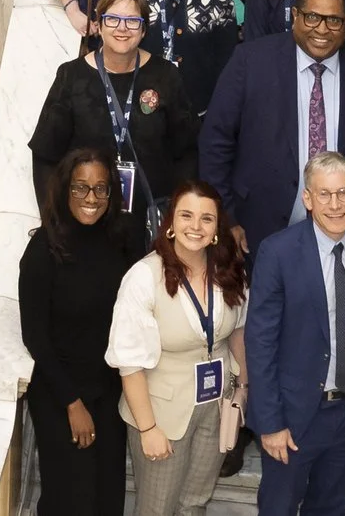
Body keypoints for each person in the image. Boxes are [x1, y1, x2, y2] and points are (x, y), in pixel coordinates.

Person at [243, 152, 345, 516]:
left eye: (343, 193)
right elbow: (260, 341)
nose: (335, 204)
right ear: (307, 199)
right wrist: (270, 422)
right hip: (292, 418)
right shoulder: (277, 252)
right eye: (324, 194)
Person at [200, 0, 345, 250]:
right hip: (257, 232)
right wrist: (227, 220)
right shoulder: (251, 61)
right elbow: (215, 143)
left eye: (334, 21)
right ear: (295, 16)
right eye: (312, 17)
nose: (322, 29)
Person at [22, 148, 149, 516]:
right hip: (61, 393)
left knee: (107, 498)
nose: (91, 198)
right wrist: (72, 404)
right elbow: (35, 337)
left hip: (109, 392)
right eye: (80, 188)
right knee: (69, 500)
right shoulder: (42, 249)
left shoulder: (123, 241)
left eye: (101, 188)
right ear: (64, 190)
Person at [110, 182, 250, 516]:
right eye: (186, 215)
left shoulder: (229, 273)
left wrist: (242, 388)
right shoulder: (144, 277)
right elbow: (129, 364)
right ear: (170, 221)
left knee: (194, 504)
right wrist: (147, 429)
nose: (196, 227)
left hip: (216, 407)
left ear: (217, 228)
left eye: (206, 219)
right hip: (162, 414)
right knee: (157, 509)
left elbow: (238, 332)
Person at [31, 0, 198, 220]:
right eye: (112, 19)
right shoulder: (71, 77)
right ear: (99, 26)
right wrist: (53, 219)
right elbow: (45, 155)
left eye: (132, 21)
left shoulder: (165, 76)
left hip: (149, 220)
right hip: (86, 220)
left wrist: (179, 213)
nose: (122, 28)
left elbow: (186, 152)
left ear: (143, 30)